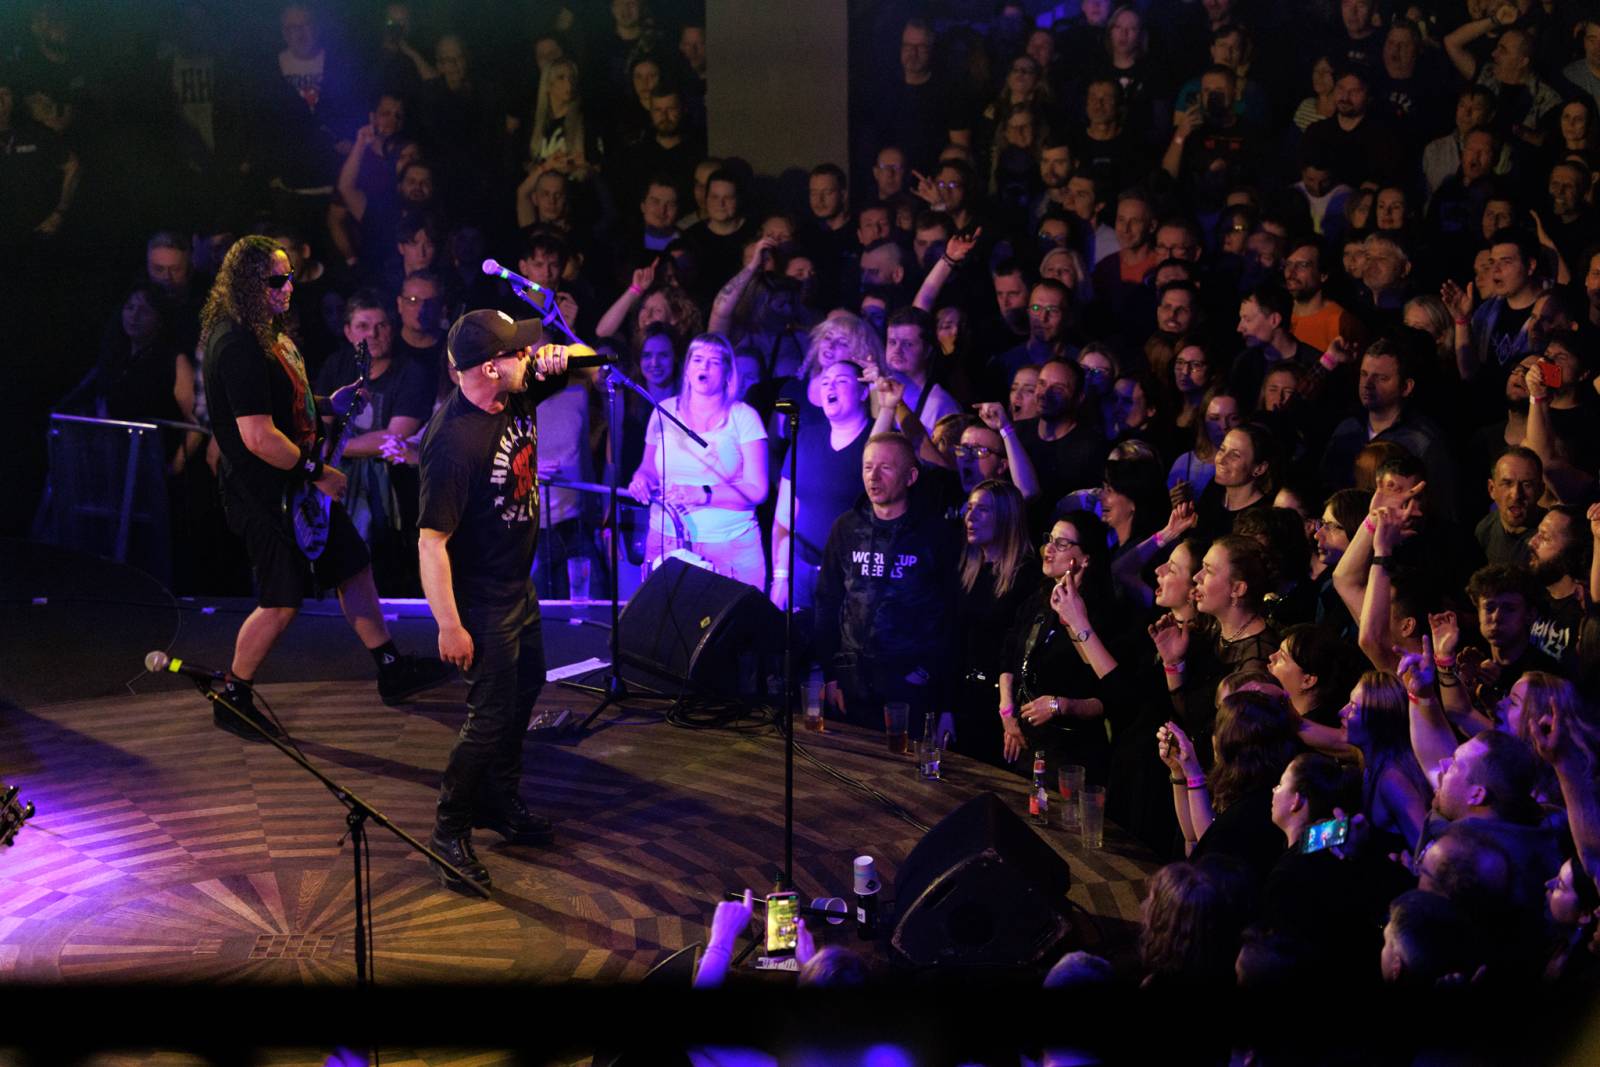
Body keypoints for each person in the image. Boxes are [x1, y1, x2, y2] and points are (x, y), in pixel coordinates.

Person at [198, 236, 449, 742]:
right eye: (276, 280)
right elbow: (256, 435)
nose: (289, 287)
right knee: (281, 599)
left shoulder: (262, 331)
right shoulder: (237, 343)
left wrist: (323, 403)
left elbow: (278, 401)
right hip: (264, 490)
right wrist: (318, 471)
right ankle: (234, 693)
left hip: (290, 483)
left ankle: (391, 666)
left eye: (289, 276)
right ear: (248, 283)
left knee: (351, 563)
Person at [417, 308, 578, 891]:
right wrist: (448, 625)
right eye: (518, 353)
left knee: (525, 689)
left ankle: (499, 802)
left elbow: (589, 357)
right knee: (487, 718)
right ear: (490, 366)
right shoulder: (452, 442)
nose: (528, 359)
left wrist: (563, 358)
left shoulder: (515, 386)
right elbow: (430, 542)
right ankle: (448, 829)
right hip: (481, 600)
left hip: (518, 585)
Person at [814, 433, 962, 731]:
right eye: (868, 467)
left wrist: (929, 676)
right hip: (851, 679)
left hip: (909, 683)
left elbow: (952, 614)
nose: (874, 477)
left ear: (911, 476)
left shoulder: (935, 533)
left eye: (886, 468)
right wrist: (829, 672)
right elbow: (827, 600)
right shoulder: (847, 526)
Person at [626, 334, 769, 589]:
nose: (704, 367)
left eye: (713, 361)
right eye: (698, 359)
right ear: (688, 368)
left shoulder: (744, 417)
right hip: (666, 539)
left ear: (727, 372)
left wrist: (703, 494)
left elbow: (757, 489)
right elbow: (648, 468)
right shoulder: (664, 411)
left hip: (730, 544)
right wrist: (641, 480)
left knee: (734, 627)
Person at [769, 360, 872, 615]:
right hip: (803, 571)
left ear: (864, 391)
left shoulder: (877, 438)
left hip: (853, 576)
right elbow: (784, 516)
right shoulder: (805, 437)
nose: (830, 386)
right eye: (825, 382)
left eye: (842, 381)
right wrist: (781, 577)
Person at [956, 479, 1037, 765]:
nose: (971, 517)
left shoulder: (1026, 575)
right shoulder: (969, 569)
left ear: (1007, 517)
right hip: (967, 699)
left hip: (1004, 706)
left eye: (983, 510)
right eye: (969, 508)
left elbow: (1019, 648)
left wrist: (1008, 711)